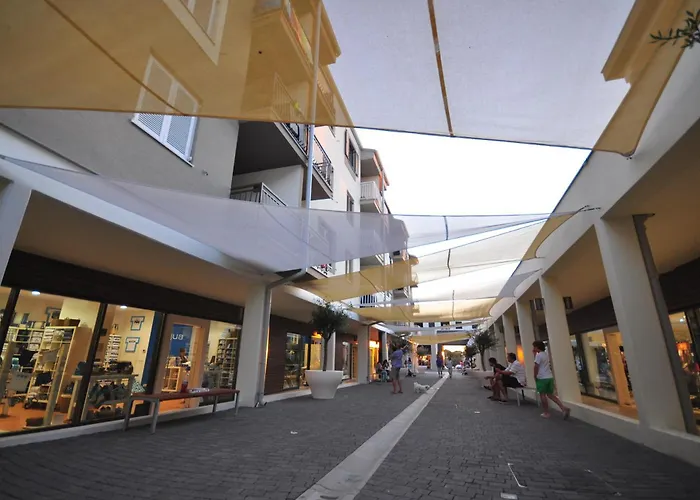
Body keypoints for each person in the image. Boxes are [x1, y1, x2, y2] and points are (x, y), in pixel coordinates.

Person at [533, 341, 570, 419]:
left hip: (542, 377)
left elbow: (536, 366)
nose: (533, 348)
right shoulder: (545, 354)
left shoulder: (538, 355)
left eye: (534, 346)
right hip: (549, 376)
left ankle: (546, 412)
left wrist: (535, 376)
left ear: (537, 347)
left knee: (542, 395)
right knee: (550, 395)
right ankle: (563, 408)